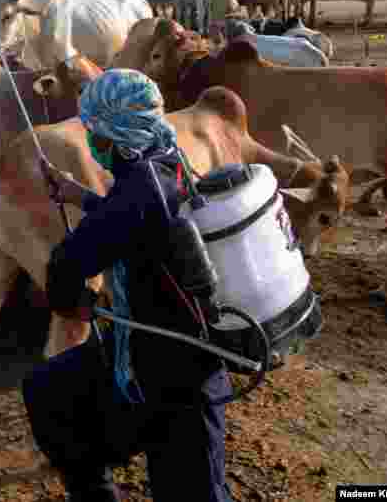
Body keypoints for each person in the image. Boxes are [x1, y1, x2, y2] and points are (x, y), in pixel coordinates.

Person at [25, 68, 235, 502]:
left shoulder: (138, 189)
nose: (90, 143)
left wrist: (75, 301)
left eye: (93, 132)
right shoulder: (165, 163)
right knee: (51, 392)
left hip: (179, 381)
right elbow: (134, 223)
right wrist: (79, 195)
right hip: (151, 352)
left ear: (110, 135)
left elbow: (66, 265)